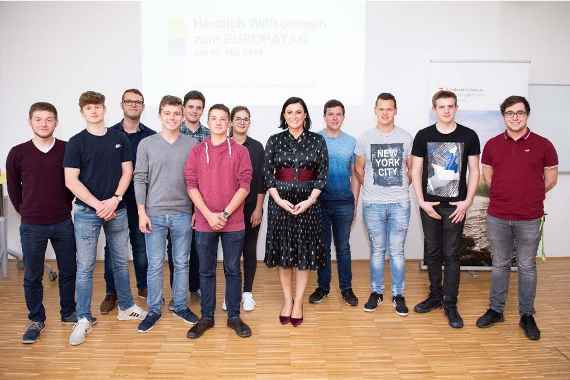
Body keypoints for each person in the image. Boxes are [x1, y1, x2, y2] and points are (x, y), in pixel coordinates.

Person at [64, 91, 147, 346]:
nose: (94, 111)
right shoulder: (76, 142)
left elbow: (128, 172)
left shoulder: (119, 137)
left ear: (104, 109)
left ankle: (126, 306)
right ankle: (84, 318)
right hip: (88, 212)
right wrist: (98, 204)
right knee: (86, 266)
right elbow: (71, 180)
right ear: (82, 112)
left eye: (98, 107)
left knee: (121, 262)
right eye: (89, 108)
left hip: (116, 209)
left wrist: (114, 199)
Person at [476, 96, 558, 340]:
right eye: (510, 112)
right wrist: (507, 194)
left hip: (530, 217)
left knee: (526, 266)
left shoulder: (544, 145)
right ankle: (496, 310)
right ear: (504, 116)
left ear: (527, 115)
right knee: (499, 264)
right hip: (498, 216)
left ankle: (526, 315)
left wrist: (529, 195)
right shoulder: (491, 145)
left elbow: (551, 179)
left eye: (520, 112)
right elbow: (488, 177)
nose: (515, 116)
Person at [6, 102, 77, 344]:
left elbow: (73, 184)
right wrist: (25, 210)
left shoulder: (67, 149)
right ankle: (36, 319)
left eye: (49, 119)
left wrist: (63, 206)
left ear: (56, 122)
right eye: (38, 119)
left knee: (69, 270)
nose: (44, 124)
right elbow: (14, 189)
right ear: (30, 122)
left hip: (63, 222)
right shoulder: (18, 152)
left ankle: (68, 312)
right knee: (32, 275)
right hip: (32, 225)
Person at [411, 90, 480, 329]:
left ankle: (450, 303)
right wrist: (421, 201)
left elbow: (475, 171)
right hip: (429, 205)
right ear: (435, 109)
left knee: (451, 255)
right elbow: (415, 171)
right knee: (432, 252)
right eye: (442, 107)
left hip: (456, 207)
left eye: (450, 106)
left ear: (456, 108)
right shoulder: (423, 136)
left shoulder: (469, 135)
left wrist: (467, 201)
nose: (446, 110)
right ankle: (435, 296)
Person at [184, 104, 253, 339]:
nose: (218, 122)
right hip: (204, 222)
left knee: (233, 269)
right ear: (208, 121)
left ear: (229, 123)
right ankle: (207, 317)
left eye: (223, 119)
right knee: (206, 271)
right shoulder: (196, 151)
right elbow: (191, 185)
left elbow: (245, 186)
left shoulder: (241, 152)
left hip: (233, 223)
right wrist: (208, 214)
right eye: (213, 118)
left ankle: (234, 316)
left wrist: (223, 214)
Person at [134, 95, 198, 333]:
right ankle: (153, 309)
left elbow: (196, 181)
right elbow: (140, 178)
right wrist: (142, 212)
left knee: (182, 263)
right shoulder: (147, 144)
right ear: (160, 115)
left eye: (176, 114)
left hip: (182, 213)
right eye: (167, 113)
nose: (172, 118)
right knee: (154, 265)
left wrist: (195, 211)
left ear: (182, 117)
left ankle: (180, 305)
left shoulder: (192, 145)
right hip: (154, 214)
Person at [264, 97, 328, 327]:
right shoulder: (274, 140)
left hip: (308, 206)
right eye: (289, 112)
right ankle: (287, 300)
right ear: (283, 116)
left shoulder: (318, 141)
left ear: (305, 115)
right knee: (284, 256)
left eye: (298, 112)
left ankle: (298, 301)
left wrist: (309, 201)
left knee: (303, 255)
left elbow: (322, 174)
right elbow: (268, 174)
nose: (293, 116)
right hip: (280, 206)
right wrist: (279, 200)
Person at [354, 93, 413, 315]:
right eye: (381, 109)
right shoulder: (365, 138)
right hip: (373, 204)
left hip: (399, 204)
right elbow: (358, 168)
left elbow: (411, 169)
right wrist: (368, 187)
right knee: (377, 250)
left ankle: (399, 295)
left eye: (389, 109)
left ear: (395, 110)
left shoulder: (406, 137)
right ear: (375, 110)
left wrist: (401, 188)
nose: (385, 113)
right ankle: (376, 292)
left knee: (397, 251)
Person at [100, 89, 155, 315]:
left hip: (143, 203)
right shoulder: (108, 134)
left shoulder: (151, 136)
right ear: (122, 105)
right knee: (113, 249)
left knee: (142, 248)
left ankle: (143, 286)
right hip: (116, 204)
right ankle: (111, 292)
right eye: (129, 101)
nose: (134, 105)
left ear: (143, 106)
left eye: (138, 102)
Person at [309, 99, 359, 306]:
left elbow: (355, 174)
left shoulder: (351, 142)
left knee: (343, 248)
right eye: (331, 114)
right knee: (322, 248)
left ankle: (346, 289)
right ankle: (323, 287)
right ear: (325, 116)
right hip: (320, 202)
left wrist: (354, 201)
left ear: (343, 117)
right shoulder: (315, 139)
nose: (335, 118)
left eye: (339, 114)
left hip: (344, 202)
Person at [165, 90, 210, 307]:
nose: (194, 111)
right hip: (177, 201)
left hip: (203, 200)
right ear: (183, 108)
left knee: (200, 247)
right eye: (190, 107)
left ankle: (198, 286)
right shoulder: (172, 132)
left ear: (203, 110)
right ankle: (178, 292)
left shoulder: (210, 135)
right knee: (177, 251)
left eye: (198, 107)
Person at [226, 105, 265, 311]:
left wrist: (258, 208)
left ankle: (247, 293)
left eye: (246, 119)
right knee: (231, 253)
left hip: (251, 207)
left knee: (249, 250)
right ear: (231, 122)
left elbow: (260, 181)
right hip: (228, 209)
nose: (242, 122)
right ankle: (230, 294)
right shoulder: (222, 144)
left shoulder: (257, 147)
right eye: (238, 118)